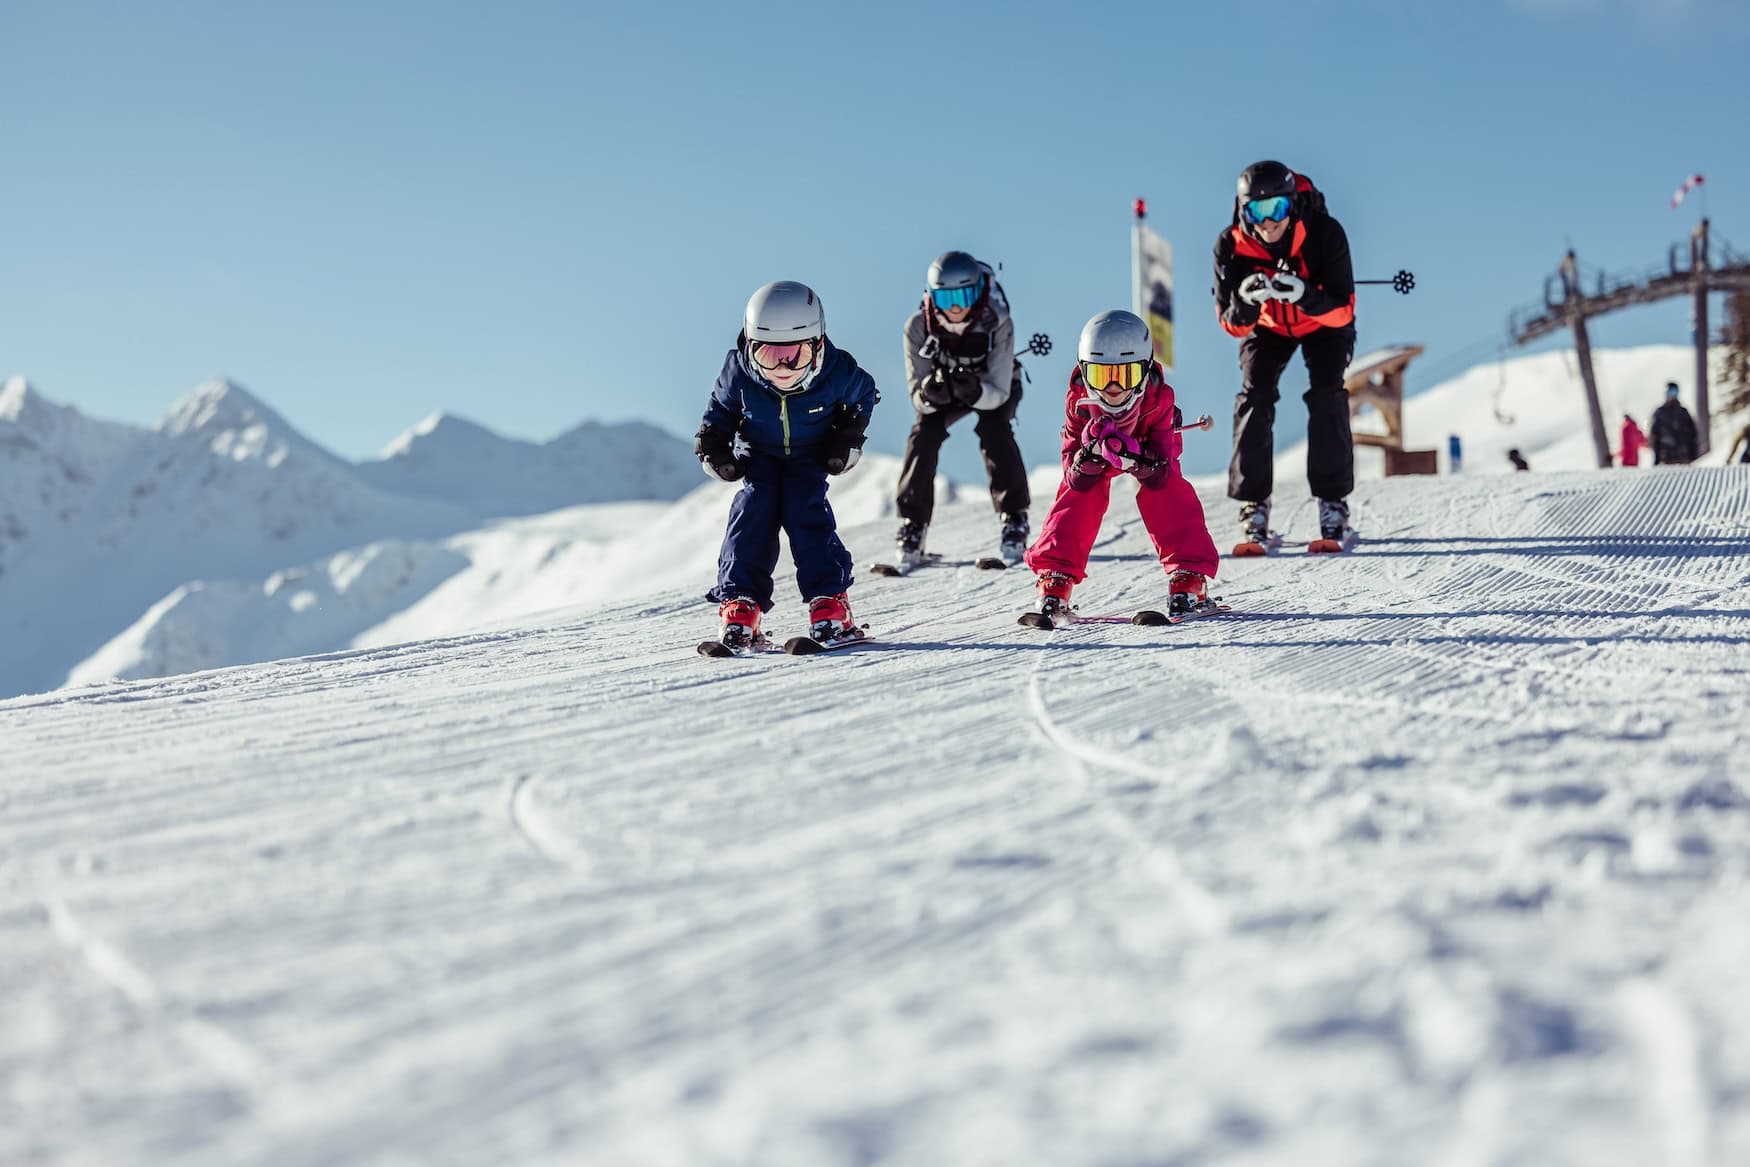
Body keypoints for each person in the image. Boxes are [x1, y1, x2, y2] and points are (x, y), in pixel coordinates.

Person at [696, 281, 878, 648]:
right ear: (750, 345)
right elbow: (720, 411)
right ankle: (740, 604)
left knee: (805, 512)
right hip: (758, 456)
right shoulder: (738, 372)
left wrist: (845, 439)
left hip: (809, 455)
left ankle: (829, 603)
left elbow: (864, 397)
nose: (781, 367)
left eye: (793, 355)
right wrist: (713, 444)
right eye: (767, 355)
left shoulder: (837, 370)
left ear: (817, 344)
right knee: (751, 515)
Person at [1024, 310, 1219, 620]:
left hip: (1146, 448)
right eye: (1102, 376)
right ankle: (1055, 576)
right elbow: (1070, 469)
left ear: (1143, 371)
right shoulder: (1078, 402)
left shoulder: (1158, 399)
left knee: (1167, 490)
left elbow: (1164, 465)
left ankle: (1188, 574)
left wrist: (1142, 461)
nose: (1113, 388)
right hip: (1099, 447)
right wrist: (1085, 460)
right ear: (1085, 373)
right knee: (1079, 493)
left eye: (1125, 375)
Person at [1212, 160, 1357, 553]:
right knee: (1254, 395)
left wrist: (1304, 295)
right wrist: (1246, 301)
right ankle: (1253, 504)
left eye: (1276, 208)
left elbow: (1344, 309)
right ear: (1244, 211)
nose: (1268, 222)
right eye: (1257, 211)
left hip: (1323, 323)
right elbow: (1229, 324)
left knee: (1327, 392)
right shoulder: (1230, 246)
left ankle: (1333, 503)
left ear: (1291, 205)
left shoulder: (1325, 233)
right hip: (1268, 326)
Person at [895, 250, 1030, 568]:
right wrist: (931, 394)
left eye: (964, 295)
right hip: (946, 393)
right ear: (931, 297)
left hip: (993, 386)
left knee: (995, 429)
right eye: (946, 298)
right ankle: (912, 525)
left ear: (979, 291)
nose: (956, 307)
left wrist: (974, 389)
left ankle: (1014, 518)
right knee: (924, 434)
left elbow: (998, 393)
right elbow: (916, 393)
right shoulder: (917, 328)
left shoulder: (997, 321)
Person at [1649, 382, 1699, 465]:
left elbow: (1693, 433)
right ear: (1666, 393)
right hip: (1666, 458)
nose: (1672, 395)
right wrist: (1657, 457)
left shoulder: (1683, 412)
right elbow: (1654, 436)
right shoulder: (1660, 413)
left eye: (1675, 392)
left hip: (1683, 457)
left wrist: (1693, 454)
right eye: (1670, 392)